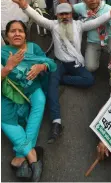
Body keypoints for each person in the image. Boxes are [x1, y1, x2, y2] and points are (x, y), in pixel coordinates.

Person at [1, 0, 111, 143]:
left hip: (76, 64)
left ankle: (59, 79)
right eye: (61, 14)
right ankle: (56, 122)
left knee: (89, 80)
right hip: (59, 64)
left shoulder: (80, 25)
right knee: (52, 92)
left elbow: (99, 20)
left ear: (71, 14)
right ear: (57, 15)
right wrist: (22, 3)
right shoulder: (52, 25)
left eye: (67, 13)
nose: (65, 16)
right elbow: (33, 14)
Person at [1, 20, 57, 181]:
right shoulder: (2, 53)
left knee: (40, 100)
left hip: (32, 88)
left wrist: (41, 66)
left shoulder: (33, 48)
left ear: (26, 35)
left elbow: (51, 64)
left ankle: (19, 156)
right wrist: (7, 68)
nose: (17, 34)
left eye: (21, 31)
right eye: (13, 31)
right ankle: (32, 156)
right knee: (3, 117)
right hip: (10, 92)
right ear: (7, 36)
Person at [54, 0, 111, 72]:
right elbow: (67, 7)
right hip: (93, 42)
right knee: (90, 68)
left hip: (109, 40)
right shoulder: (82, 7)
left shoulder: (109, 9)